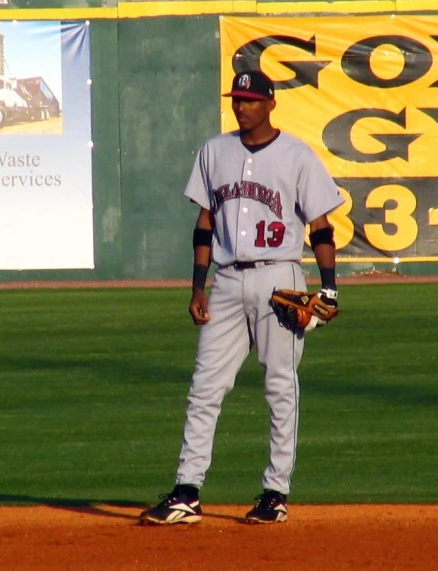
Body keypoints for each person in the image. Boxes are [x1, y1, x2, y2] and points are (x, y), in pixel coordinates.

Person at [140, 70, 344, 525]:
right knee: (205, 386)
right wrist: (197, 285)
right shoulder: (214, 151)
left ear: (271, 103)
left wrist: (328, 288)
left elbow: (322, 227)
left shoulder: (297, 155)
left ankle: (276, 491)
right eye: (237, 98)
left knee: (279, 385)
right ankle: (187, 491)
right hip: (227, 281)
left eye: (251, 99)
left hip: (281, 278)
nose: (242, 106)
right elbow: (204, 222)